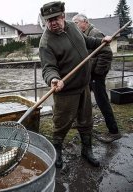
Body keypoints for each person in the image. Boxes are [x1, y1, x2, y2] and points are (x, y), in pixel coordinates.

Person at [39, 1, 112, 168]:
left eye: (56, 18)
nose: (53, 23)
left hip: (84, 86)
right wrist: (53, 79)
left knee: (86, 121)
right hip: (65, 91)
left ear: (63, 16)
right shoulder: (46, 42)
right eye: (49, 20)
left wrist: (101, 41)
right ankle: (57, 153)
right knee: (61, 124)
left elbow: (86, 41)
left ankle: (87, 150)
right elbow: (48, 68)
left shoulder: (72, 27)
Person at [72, 13, 122, 143]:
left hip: (96, 75)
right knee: (82, 97)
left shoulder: (95, 33)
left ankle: (114, 131)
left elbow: (106, 54)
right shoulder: (84, 34)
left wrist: (97, 73)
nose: (75, 25)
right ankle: (81, 122)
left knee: (102, 101)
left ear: (85, 22)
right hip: (88, 74)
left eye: (76, 22)